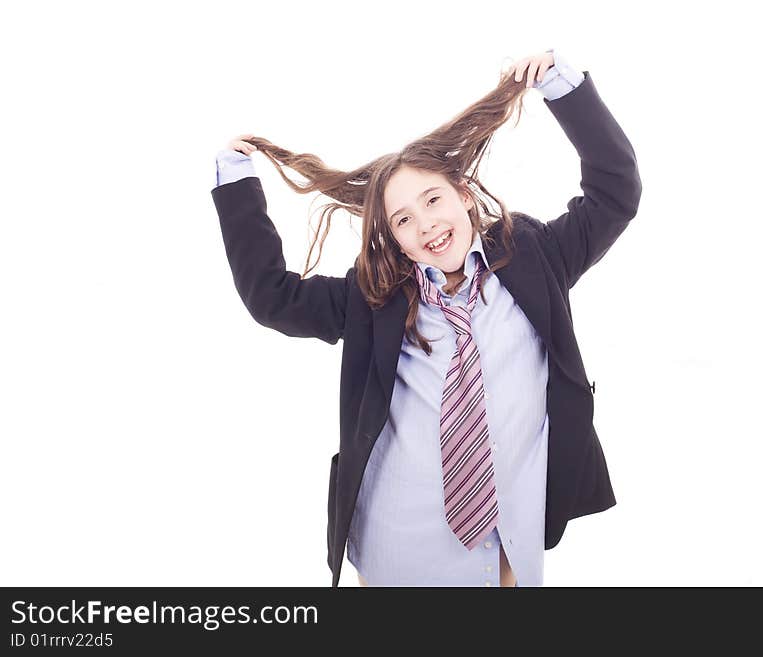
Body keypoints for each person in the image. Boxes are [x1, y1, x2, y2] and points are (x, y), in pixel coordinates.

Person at [210, 49, 641, 587]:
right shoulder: (373, 299)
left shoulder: (536, 256)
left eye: (434, 199)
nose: (427, 225)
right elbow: (272, 297)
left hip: (509, 530)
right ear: (394, 238)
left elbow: (614, 193)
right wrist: (235, 183)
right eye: (404, 219)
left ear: (463, 196)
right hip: (398, 539)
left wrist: (563, 89)